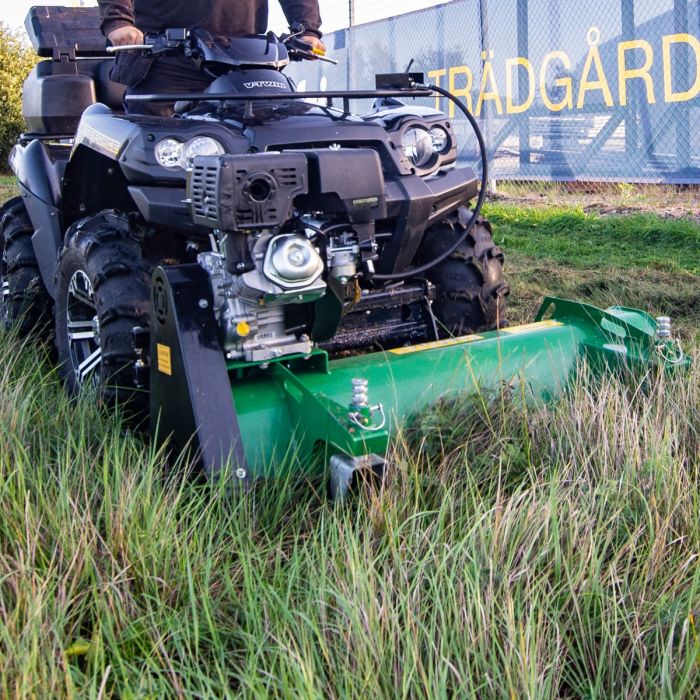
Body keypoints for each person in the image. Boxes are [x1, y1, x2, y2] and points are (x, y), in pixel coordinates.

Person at [97, 0, 324, 115]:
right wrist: (118, 22)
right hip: (165, 58)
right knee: (156, 154)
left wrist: (308, 31)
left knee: (268, 141)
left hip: (246, 61)